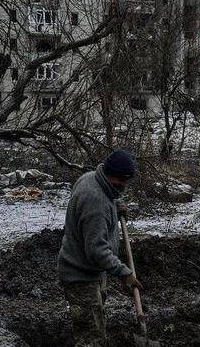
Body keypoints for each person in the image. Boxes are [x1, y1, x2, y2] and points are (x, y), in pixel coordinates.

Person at [58, 149, 143, 347]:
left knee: (97, 322)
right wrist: (124, 273)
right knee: (91, 337)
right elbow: (97, 250)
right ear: (113, 175)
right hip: (81, 276)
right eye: (122, 182)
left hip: (90, 270)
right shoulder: (95, 202)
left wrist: (114, 204)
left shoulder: (91, 178)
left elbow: (105, 198)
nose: (124, 186)